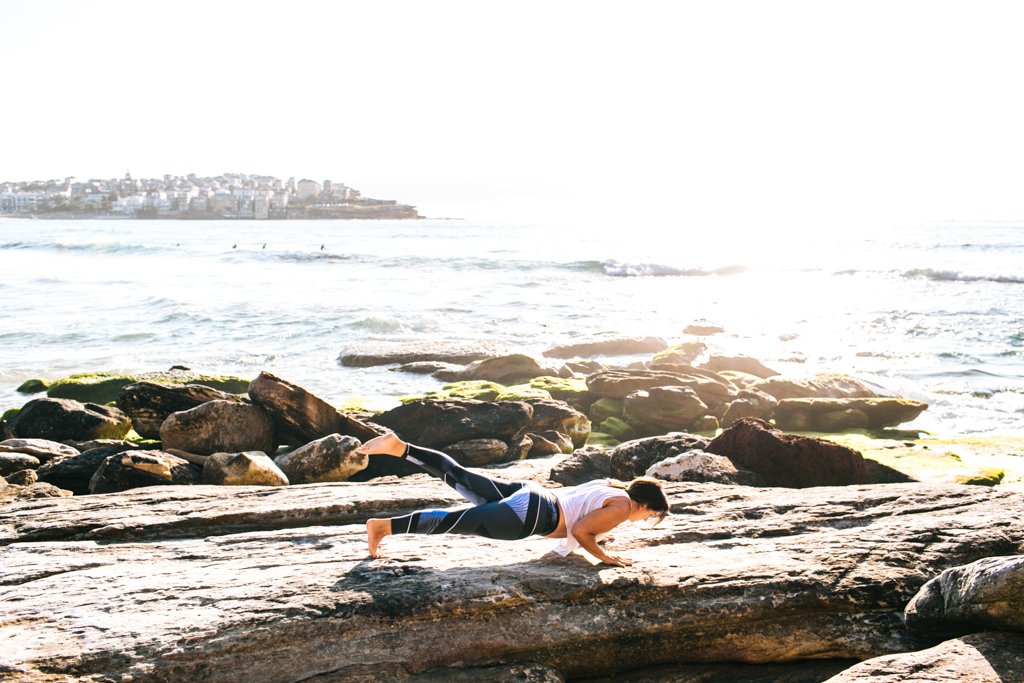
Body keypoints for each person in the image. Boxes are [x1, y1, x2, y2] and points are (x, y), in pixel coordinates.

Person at [357, 433, 669, 566]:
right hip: (529, 516)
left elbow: (582, 515)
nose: (643, 520)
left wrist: (601, 537)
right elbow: (580, 531)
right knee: (453, 522)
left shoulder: (613, 487)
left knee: (458, 475)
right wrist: (605, 557)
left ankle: (401, 447)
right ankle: (384, 527)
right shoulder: (623, 507)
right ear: (645, 506)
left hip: (531, 494)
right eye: (650, 516)